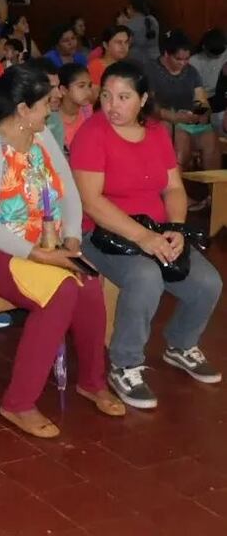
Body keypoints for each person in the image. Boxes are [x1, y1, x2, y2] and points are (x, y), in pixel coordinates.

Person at [0, 65, 124, 438]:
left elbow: (69, 194)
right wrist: (44, 256)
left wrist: (72, 240)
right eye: (46, 102)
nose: (52, 107)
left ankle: (92, 381)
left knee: (88, 284)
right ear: (23, 109)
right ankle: (19, 403)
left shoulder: (40, 138)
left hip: (42, 243)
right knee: (59, 293)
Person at [72, 61, 222, 409]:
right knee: (145, 276)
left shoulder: (155, 132)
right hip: (101, 234)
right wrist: (144, 239)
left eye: (124, 97)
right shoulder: (93, 133)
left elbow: (172, 187)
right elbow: (92, 203)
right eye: (107, 95)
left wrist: (175, 229)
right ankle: (125, 365)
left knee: (208, 283)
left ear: (143, 99)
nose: (113, 105)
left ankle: (181, 344)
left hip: (155, 230)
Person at [145, 30, 215, 188]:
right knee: (172, 131)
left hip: (186, 118)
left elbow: (201, 99)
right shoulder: (151, 70)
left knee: (209, 136)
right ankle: (175, 189)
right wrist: (171, 116)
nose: (183, 63)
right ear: (166, 54)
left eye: (187, 59)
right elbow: (149, 103)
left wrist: (200, 114)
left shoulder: (191, 72)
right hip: (162, 117)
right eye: (178, 59)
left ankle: (214, 193)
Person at [46, 62, 93, 153]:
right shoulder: (50, 118)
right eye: (81, 86)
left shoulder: (88, 113)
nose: (88, 92)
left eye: (89, 86)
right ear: (63, 90)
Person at [87, 25, 131, 100]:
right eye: (119, 42)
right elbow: (94, 98)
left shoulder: (127, 66)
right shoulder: (95, 66)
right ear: (105, 45)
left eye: (126, 42)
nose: (124, 47)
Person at [126, 0, 160, 65]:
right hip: (155, 60)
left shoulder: (129, 25)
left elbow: (125, 45)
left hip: (136, 62)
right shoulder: (153, 20)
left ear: (131, 8)